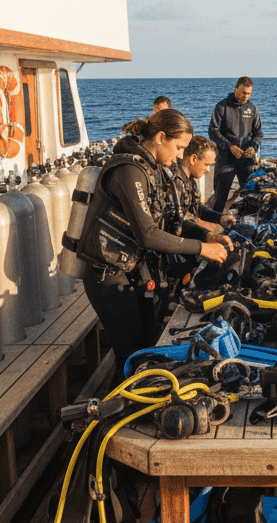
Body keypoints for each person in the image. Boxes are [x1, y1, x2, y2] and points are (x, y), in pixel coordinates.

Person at [78, 110, 230, 378]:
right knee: (129, 354)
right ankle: (113, 413)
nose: (181, 155)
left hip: (133, 269)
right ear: (161, 137)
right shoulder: (128, 170)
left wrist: (207, 235)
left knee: (146, 347)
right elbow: (148, 234)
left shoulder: (156, 170)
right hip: (109, 276)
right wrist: (201, 248)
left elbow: (173, 220)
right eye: (179, 147)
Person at [207, 76, 263, 210]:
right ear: (236, 89)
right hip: (226, 159)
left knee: (251, 195)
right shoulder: (222, 106)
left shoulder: (252, 108)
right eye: (243, 92)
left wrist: (253, 147)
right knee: (220, 196)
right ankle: (215, 223)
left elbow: (259, 134)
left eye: (249, 93)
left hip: (246, 160)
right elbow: (213, 131)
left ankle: (248, 225)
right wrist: (229, 146)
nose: (246, 96)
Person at [170, 136, 237, 233]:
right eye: (206, 164)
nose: (208, 170)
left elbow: (198, 208)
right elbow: (177, 217)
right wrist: (207, 230)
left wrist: (220, 218)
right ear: (193, 159)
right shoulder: (174, 181)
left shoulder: (189, 180)